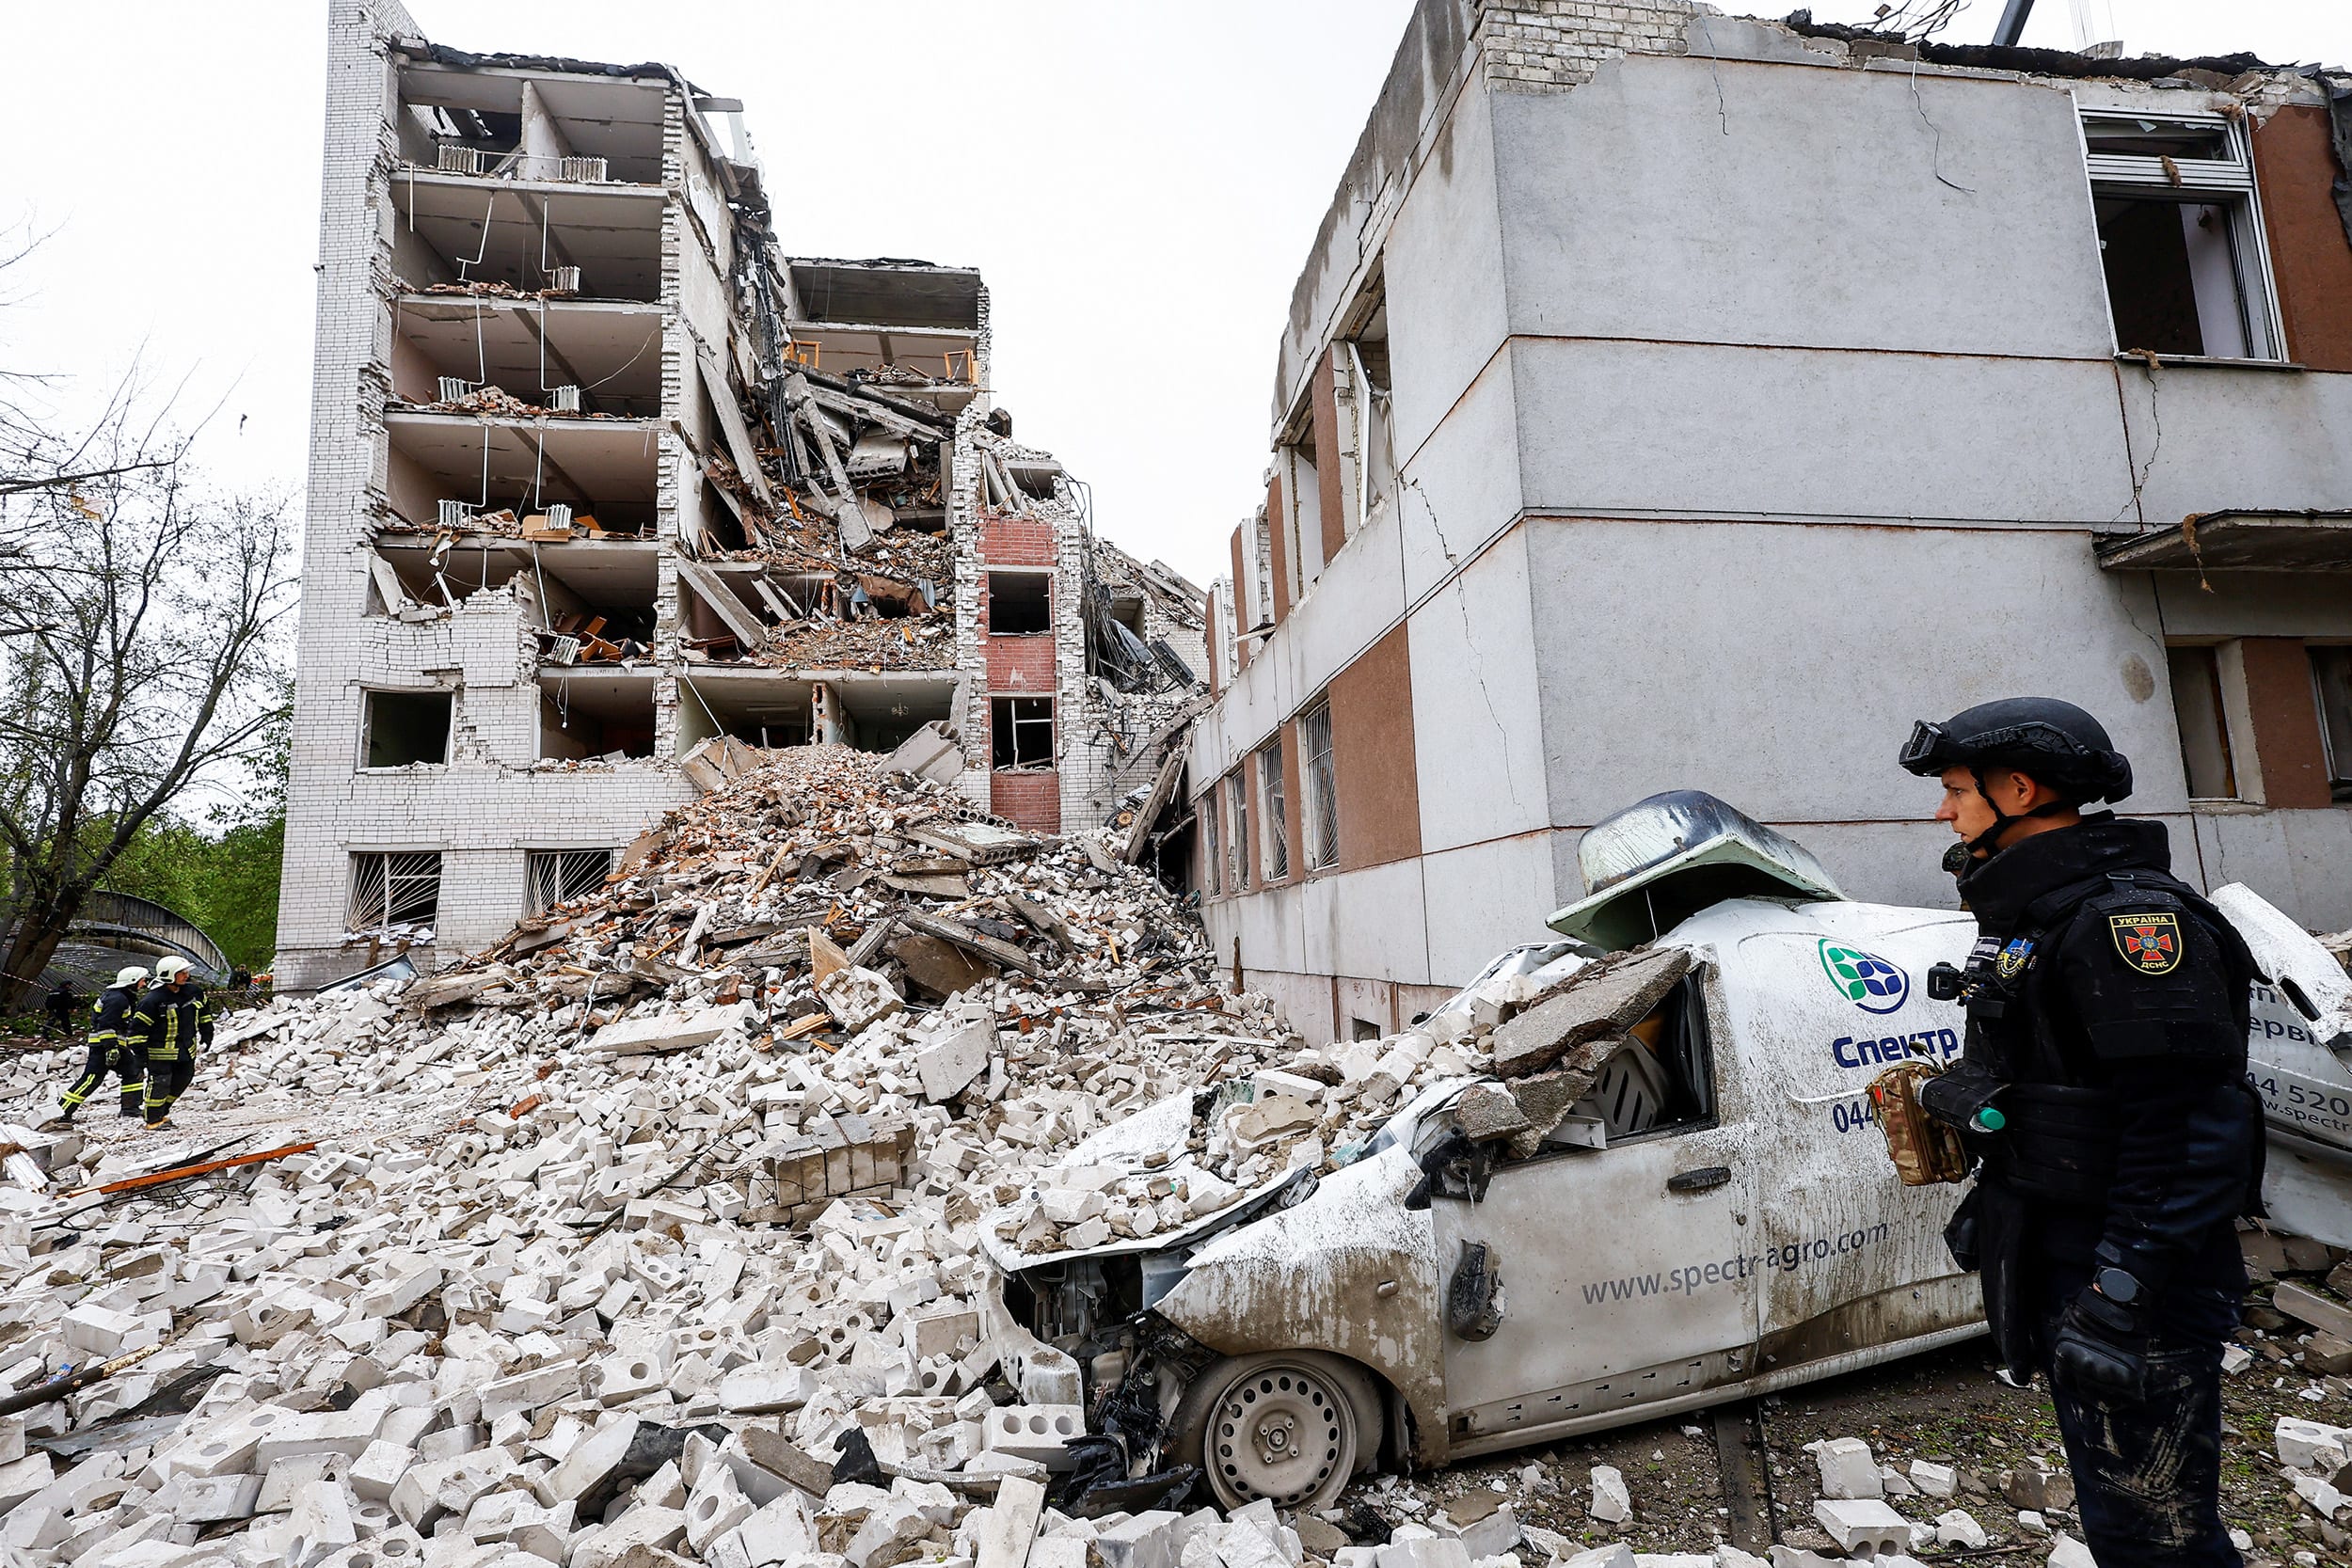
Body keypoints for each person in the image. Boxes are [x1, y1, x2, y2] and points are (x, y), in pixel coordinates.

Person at [1899, 697, 2258, 1568]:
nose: (1945, 811)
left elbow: (2192, 1129)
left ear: (2019, 790)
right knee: (2124, 1522)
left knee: (2158, 1539)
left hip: (2137, 1278)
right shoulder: (2046, 915)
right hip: (2078, 1251)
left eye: (1958, 790)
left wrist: (2120, 1291)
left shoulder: (2128, 924)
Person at [57, 967, 150, 1122]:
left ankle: (130, 1108)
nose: (144, 984)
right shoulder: (117, 999)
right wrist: (111, 1048)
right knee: (91, 1079)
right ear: (133, 981)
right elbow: (106, 1024)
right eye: (142, 980)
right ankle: (61, 1113)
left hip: (114, 1045)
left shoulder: (120, 996)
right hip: (104, 1046)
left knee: (133, 1072)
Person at [131, 957, 212, 1129]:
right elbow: (137, 1032)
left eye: (186, 972)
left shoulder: (194, 992)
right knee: (160, 1084)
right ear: (169, 975)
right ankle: (152, 1120)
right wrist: (140, 1059)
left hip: (186, 1050)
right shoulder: (152, 1001)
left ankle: (161, 1112)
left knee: (183, 1080)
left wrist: (207, 1034)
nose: (186, 975)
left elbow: (204, 1013)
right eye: (181, 973)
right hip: (160, 1053)